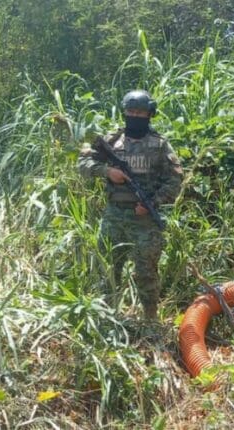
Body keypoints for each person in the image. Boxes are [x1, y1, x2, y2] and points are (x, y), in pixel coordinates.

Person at [78, 90, 182, 320]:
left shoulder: (159, 145)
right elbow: (83, 162)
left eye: (140, 112)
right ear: (125, 112)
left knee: (146, 272)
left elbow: (175, 179)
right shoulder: (112, 141)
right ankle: (106, 317)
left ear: (149, 114)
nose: (135, 116)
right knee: (108, 269)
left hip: (145, 220)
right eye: (131, 111)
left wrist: (153, 202)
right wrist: (107, 171)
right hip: (114, 215)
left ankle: (150, 319)